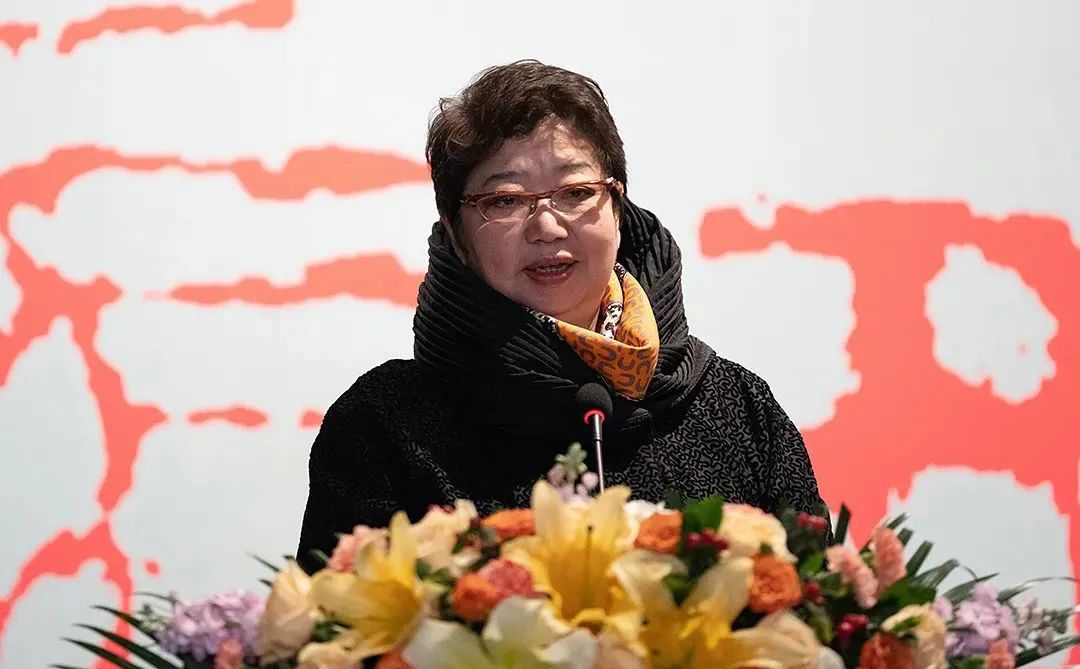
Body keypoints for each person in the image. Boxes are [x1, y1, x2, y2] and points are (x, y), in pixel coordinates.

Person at [296, 60, 826, 571]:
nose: (547, 227)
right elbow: (341, 624)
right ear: (456, 234)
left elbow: (818, 609)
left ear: (618, 208)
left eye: (576, 193)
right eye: (505, 201)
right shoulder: (385, 423)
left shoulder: (738, 406)